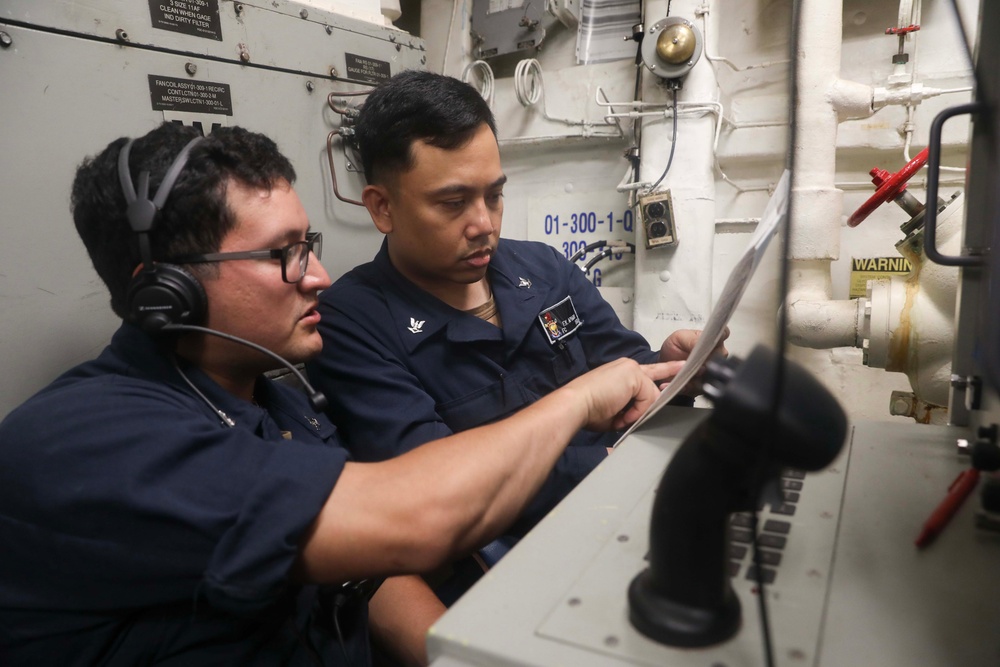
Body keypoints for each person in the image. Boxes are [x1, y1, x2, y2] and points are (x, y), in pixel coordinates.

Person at [0, 122, 676, 666]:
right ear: (165, 292)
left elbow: (369, 570)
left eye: (310, 244)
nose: (318, 275)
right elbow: (419, 517)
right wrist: (582, 397)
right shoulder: (91, 439)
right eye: (282, 253)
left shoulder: (278, 399)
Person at [307, 70, 726, 558]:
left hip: (621, 513)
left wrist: (676, 372)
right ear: (383, 208)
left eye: (494, 195)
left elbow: (628, 376)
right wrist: (604, 461)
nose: (483, 224)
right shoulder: (351, 325)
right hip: (505, 562)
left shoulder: (542, 268)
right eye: (453, 202)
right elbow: (434, 486)